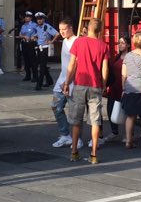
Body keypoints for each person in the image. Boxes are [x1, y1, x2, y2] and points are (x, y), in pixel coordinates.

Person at [63, 18, 109, 164]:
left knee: (76, 120)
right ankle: (94, 154)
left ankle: (74, 151)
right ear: (100, 30)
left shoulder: (79, 42)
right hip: (95, 85)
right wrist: (103, 85)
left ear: (88, 28)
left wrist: (66, 82)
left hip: (80, 84)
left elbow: (72, 64)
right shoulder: (103, 46)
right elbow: (105, 69)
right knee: (95, 121)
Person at [50, 19, 77, 148]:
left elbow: (75, 64)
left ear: (71, 28)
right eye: (60, 30)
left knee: (74, 112)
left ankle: (76, 138)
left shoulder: (76, 41)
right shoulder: (65, 41)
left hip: (73, 81)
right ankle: (65, 135)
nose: (61, 32)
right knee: (56, 106)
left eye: (64, 29)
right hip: (62, 79)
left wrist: (68, 81)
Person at [104, 36, 128, 142]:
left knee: (126, 112)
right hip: (114, 87)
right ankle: (114, 131)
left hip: (125, 87)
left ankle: (127, 134)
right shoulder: (117, 56)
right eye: (119, 43)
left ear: (128, 45)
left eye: (122, 43)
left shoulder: (130, 57)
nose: (120, 45)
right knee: (110, 109)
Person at [33, 12, 59, 91]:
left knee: (42, 67)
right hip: (39, 48)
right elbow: (38, 35)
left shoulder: (46, 26)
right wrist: (35, 37)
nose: (39, 20)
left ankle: (39, 84)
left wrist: (52, 41)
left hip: (45, 48)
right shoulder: (38, 27)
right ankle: (49, 80)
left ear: (43, 19)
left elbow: (57, 34)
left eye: (40, 19)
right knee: (37, 65)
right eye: (37, 19)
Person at [18, 11, 37, 81]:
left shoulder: (34, 25)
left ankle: (35, 76)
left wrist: (33, 36)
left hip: (31, 44)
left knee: (32, 60)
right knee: (26, 60)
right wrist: (24, 36)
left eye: (28, 16)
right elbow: (20, 34)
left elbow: (38, 32)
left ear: (31, 18)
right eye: (25, 17)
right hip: (24, 43)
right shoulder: (23, 25)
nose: (26, 18)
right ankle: (28, 75)